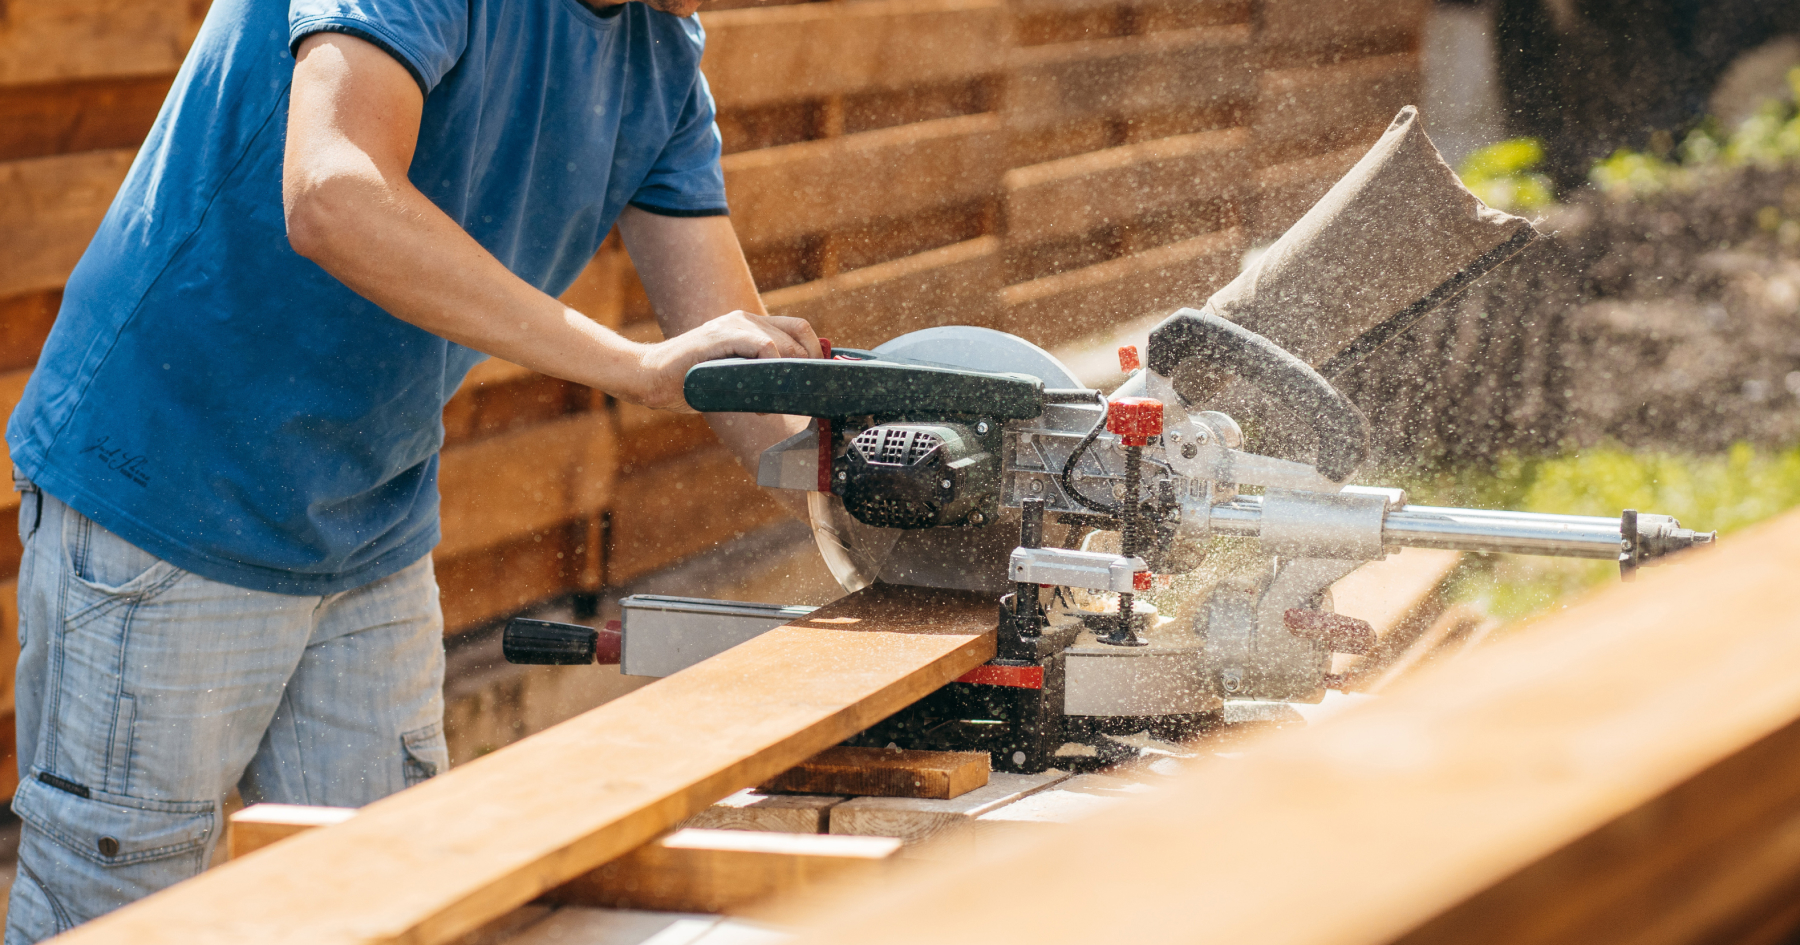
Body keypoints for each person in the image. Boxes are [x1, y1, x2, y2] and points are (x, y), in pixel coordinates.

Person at [2, 0, 815, 938]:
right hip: (168, 492)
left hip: (368, 520)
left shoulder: (659, 61)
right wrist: (628, 369)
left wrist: (873, 522)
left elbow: (741, 376)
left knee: (388, 907)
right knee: (122, 918)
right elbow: (333, 193)